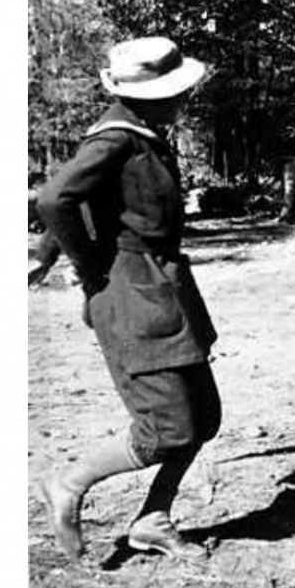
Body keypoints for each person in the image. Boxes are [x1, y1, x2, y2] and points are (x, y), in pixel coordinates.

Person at [34, 37, 221, 560]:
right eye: (176, 91)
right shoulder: (116, 139)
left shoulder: (141, 134)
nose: (183, 99)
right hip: (131, 295)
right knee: (164, 430)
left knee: (203, 417)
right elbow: (57, 198)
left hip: (165, 290)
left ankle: (153, 519)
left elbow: (88, 198)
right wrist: (87, 266)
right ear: (150, 96)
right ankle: (69, 484)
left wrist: (47, 252)